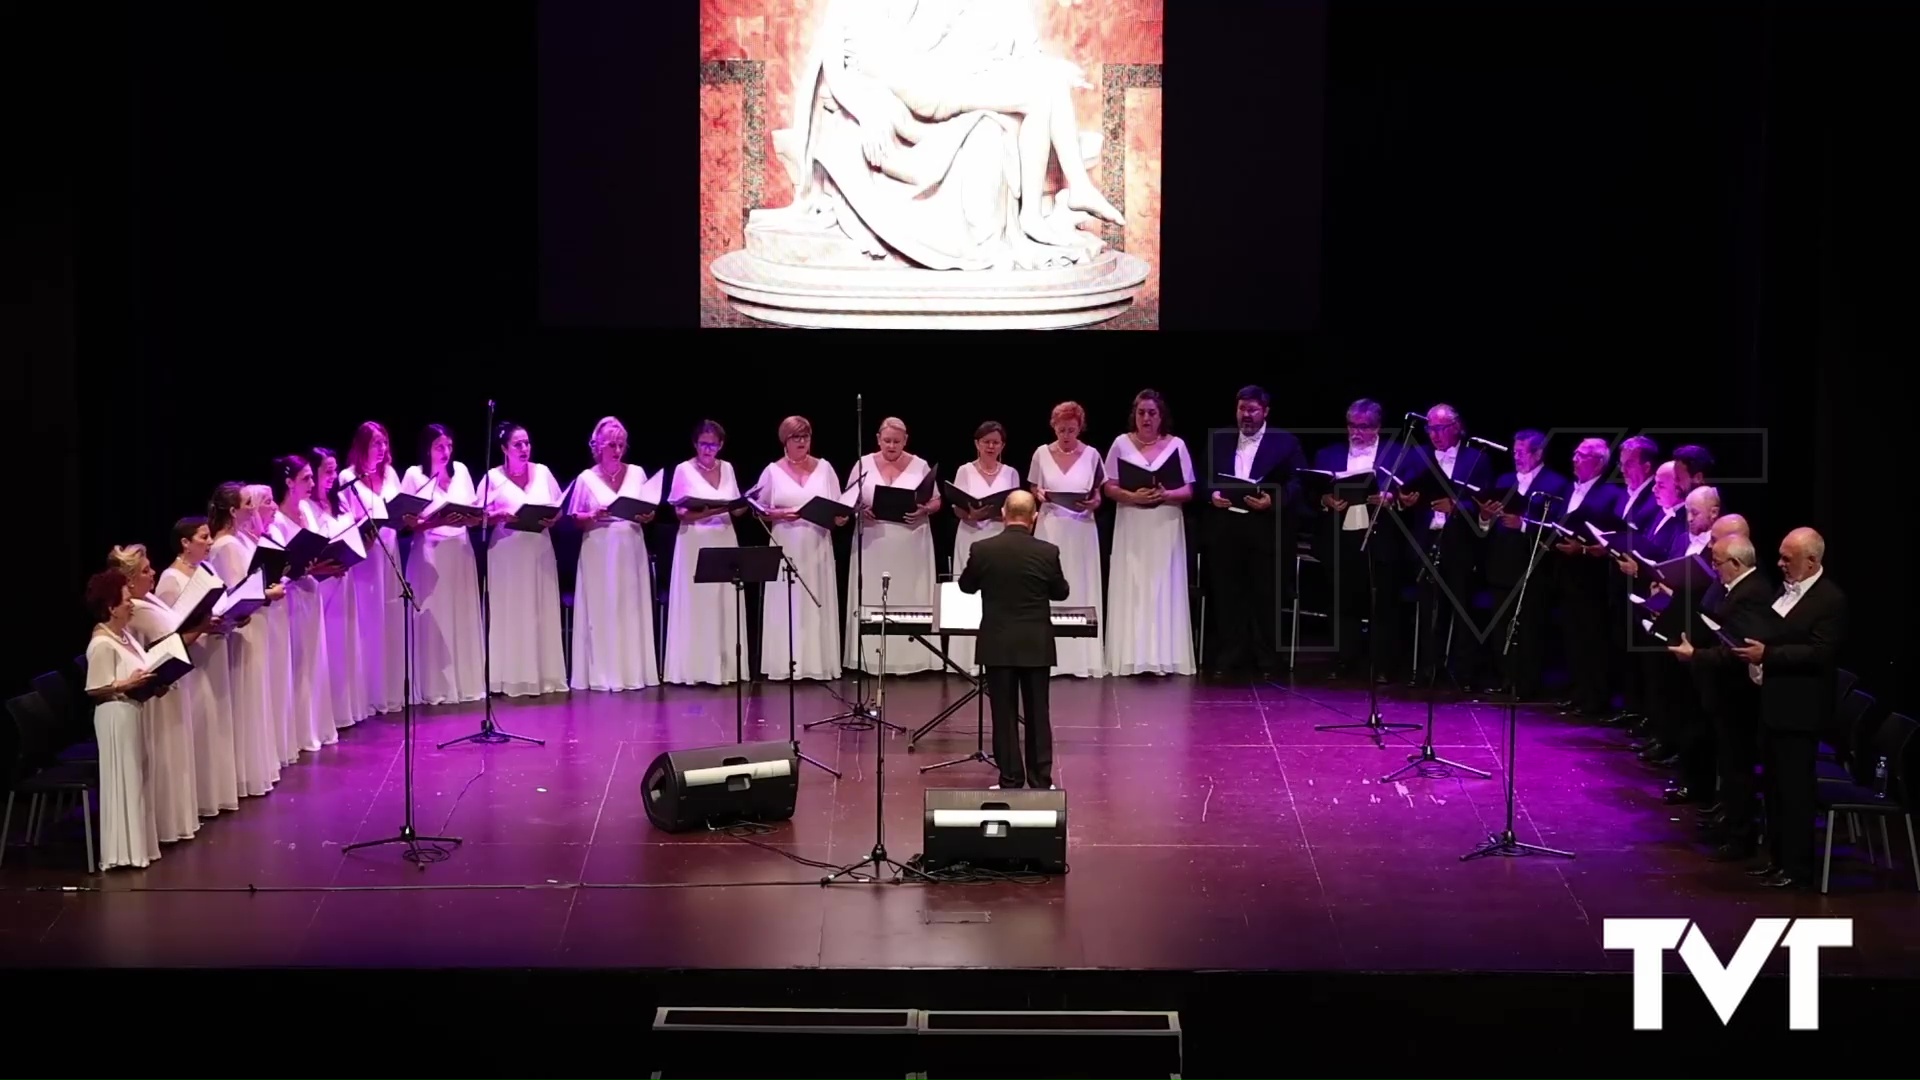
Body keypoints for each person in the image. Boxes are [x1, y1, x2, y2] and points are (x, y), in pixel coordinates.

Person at [958, 490, 1069, 790]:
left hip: (998, 643)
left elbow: (966, 587)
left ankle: (1010, 778)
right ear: (1034, 518)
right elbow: (1061, 592)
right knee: (1037, 712)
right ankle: (1040, 779)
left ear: (1004, 514)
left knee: (1004, 714)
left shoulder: (983, 549)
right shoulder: (1048, 551)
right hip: (1036, 643)